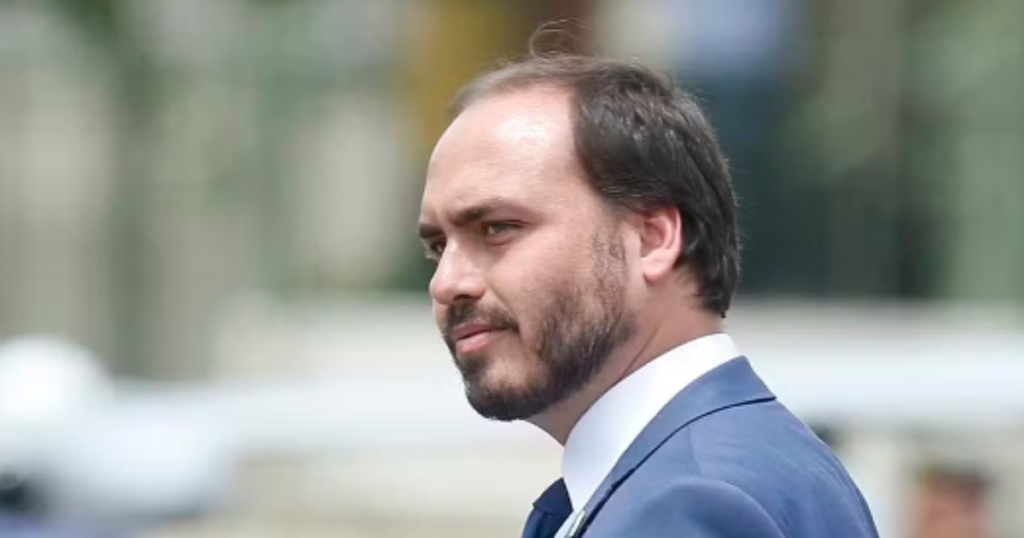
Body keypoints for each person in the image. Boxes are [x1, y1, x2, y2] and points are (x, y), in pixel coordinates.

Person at [416, 45, 879, 537]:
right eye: (438, 246)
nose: (447, 282)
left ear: (653, 239)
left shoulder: (687, 503)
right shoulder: (745, 461)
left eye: (498, 228)